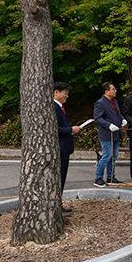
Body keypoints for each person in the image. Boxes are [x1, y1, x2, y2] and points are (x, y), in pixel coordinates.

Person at [54, 81, 81, 215]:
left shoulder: (60, 107)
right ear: (56, 92)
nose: (67, 96)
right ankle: (56, 207)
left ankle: (59, 204)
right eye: (65, 93)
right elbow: (55, 129)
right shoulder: (53, 107)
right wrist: (71, 129)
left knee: (62, 178)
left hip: (64, 148)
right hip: (60, 148)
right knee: (59, 179)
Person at [93, 82, 126, 187]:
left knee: (113, 156)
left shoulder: (114, 102)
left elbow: (118, 114)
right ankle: (98, 178)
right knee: (107, 156)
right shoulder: (100, 103)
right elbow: (98, 118)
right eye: (113, 89)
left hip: (116, 133)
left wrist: (123, 119)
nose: (115, 91)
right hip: (106, 134)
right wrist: (108, 125)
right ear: (106, 91)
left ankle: (110, 177)